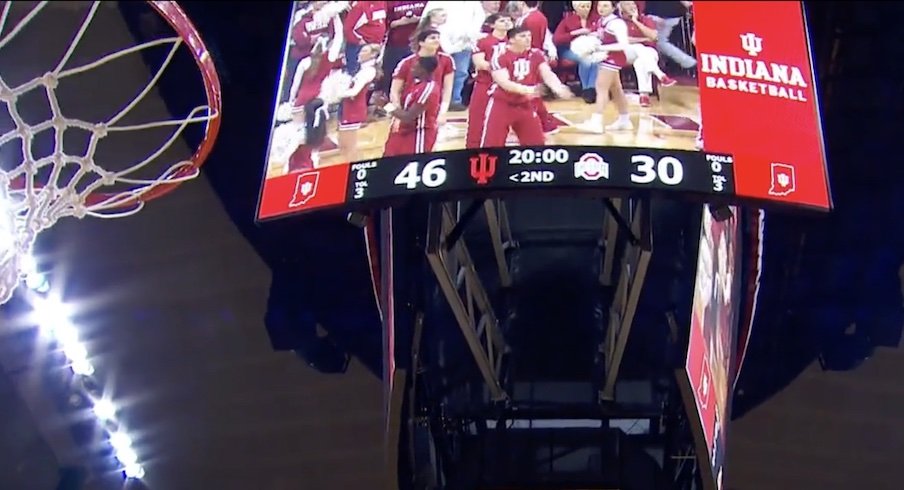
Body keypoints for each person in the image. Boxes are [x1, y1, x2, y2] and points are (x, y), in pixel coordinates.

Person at [479, 26, 573, 147]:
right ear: (511, 40)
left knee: (536, 144)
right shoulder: (500, 56)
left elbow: (547, 73)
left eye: (529, 35)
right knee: (491, 145)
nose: (527, 39)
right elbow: (504, 83)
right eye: (523, 36)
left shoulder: (536, 54)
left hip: (525, 104)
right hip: (502, 104)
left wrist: (558, 88)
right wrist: (530, 90)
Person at [576, 0, 633, 135]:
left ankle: (596, 122)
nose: (601, 8)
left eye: (606, 5)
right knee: (616, 89)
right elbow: (601, 36)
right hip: (607, 57)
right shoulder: (602, 20)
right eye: (600, 5)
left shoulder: (617, 23)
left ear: (614, 8)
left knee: (601, 87)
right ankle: (625, 119)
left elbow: (623, 45)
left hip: (613, 58)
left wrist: (599, 47)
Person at [421, 1, 486, 111]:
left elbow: (480, 17)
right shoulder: (436, 24)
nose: (445, 18)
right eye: (443, 16)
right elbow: (448, 48)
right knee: (438, 74)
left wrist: (471, 35)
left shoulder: (473, 3)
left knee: (461, 72)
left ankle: (454, 100)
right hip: (447, 48)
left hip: (463, 42)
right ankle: (433, 100)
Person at [509, 1, 560, 134]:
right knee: (530, 93)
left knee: (530, 93)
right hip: (534, 56)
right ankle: (542, 122)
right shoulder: (539, 16)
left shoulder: (528, 19)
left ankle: (544, 123)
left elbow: (527, 42)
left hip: (528, 58)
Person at [466, 13, 514, 148]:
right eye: (502, 20)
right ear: (492, 24)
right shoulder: (483, 41)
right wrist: (501, 69)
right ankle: (472, 151)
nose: (506, 23)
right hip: (485, 85)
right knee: (477, 120)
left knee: (501, 123)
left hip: (509, 86)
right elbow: (479, 63)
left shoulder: (515, 41)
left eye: (508, 20)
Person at [620, 0, 677, 107]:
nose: (632, 6)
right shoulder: (619, 22)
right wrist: (643, 39)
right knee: (639, 47)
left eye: (633, 4)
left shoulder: (646, 19)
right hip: (627, 53)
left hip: (649, 53)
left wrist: (636, 21)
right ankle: (661, 75)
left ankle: (644, 96)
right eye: (628, 4)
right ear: (622, 10)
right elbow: (624, 40)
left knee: (640, 61)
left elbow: (654, 37)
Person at [390, 29, 455, 124]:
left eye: (438, 38)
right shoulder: (406, 62)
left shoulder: (446, 60)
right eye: (432, 38)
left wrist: (442, 113)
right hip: (408, 109)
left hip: (431, 110)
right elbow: (395, 90)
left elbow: (447, 89)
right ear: (421, 42)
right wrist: (397, 111)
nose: (437, 40)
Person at [382, 56, 442, 156]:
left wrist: (387, 106)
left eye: (415, 67)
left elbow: (408, 117)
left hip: (419, 134)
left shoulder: (428, 89)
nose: (412, 69)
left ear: (424, 70)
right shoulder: (417, 85)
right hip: (405, 131)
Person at [338, 44, 381, 163]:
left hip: (354, 110)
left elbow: (355, 91)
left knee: (349, 147)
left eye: (364, 51)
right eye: (361, 50)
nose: (360, 53)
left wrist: (336, 94)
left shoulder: (369, 71)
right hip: (349, 108)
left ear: (373, 54)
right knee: (343, 145)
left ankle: (352, 170)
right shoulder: (362, 70)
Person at [554, 1, 599, 103]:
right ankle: (585, 88)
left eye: (588, 6)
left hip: (591, 50)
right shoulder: (567, 21)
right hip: (568, 50)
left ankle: (591, 89)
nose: (586, 9)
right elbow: (557, 39)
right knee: (585, 59)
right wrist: (575, 33)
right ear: (576, 8)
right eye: (583, 6)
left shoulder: (595, 20)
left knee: (595, 60)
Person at [380, 1, 427, 94]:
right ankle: (389, 99)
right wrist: (401, 22)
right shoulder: (390, 3)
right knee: (391, 73)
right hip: (395, 44)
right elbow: (383, 23)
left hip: (417, 44)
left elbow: (431, 18)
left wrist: (419, 19)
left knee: (414, 74)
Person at [644, 0, 696, 70]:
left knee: (659, 42)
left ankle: (691, 63)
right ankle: (690, 63)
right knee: (657, 41)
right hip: (654, 17)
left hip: (674, 17)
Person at [344, 1, 387, 75]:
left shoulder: (382, 3)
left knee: (373, 75)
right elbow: (347, 28)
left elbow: (382, 21)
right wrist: (359, 41)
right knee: (355, 76)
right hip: (359, 49)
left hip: (376, 47)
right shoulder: (360, 6)